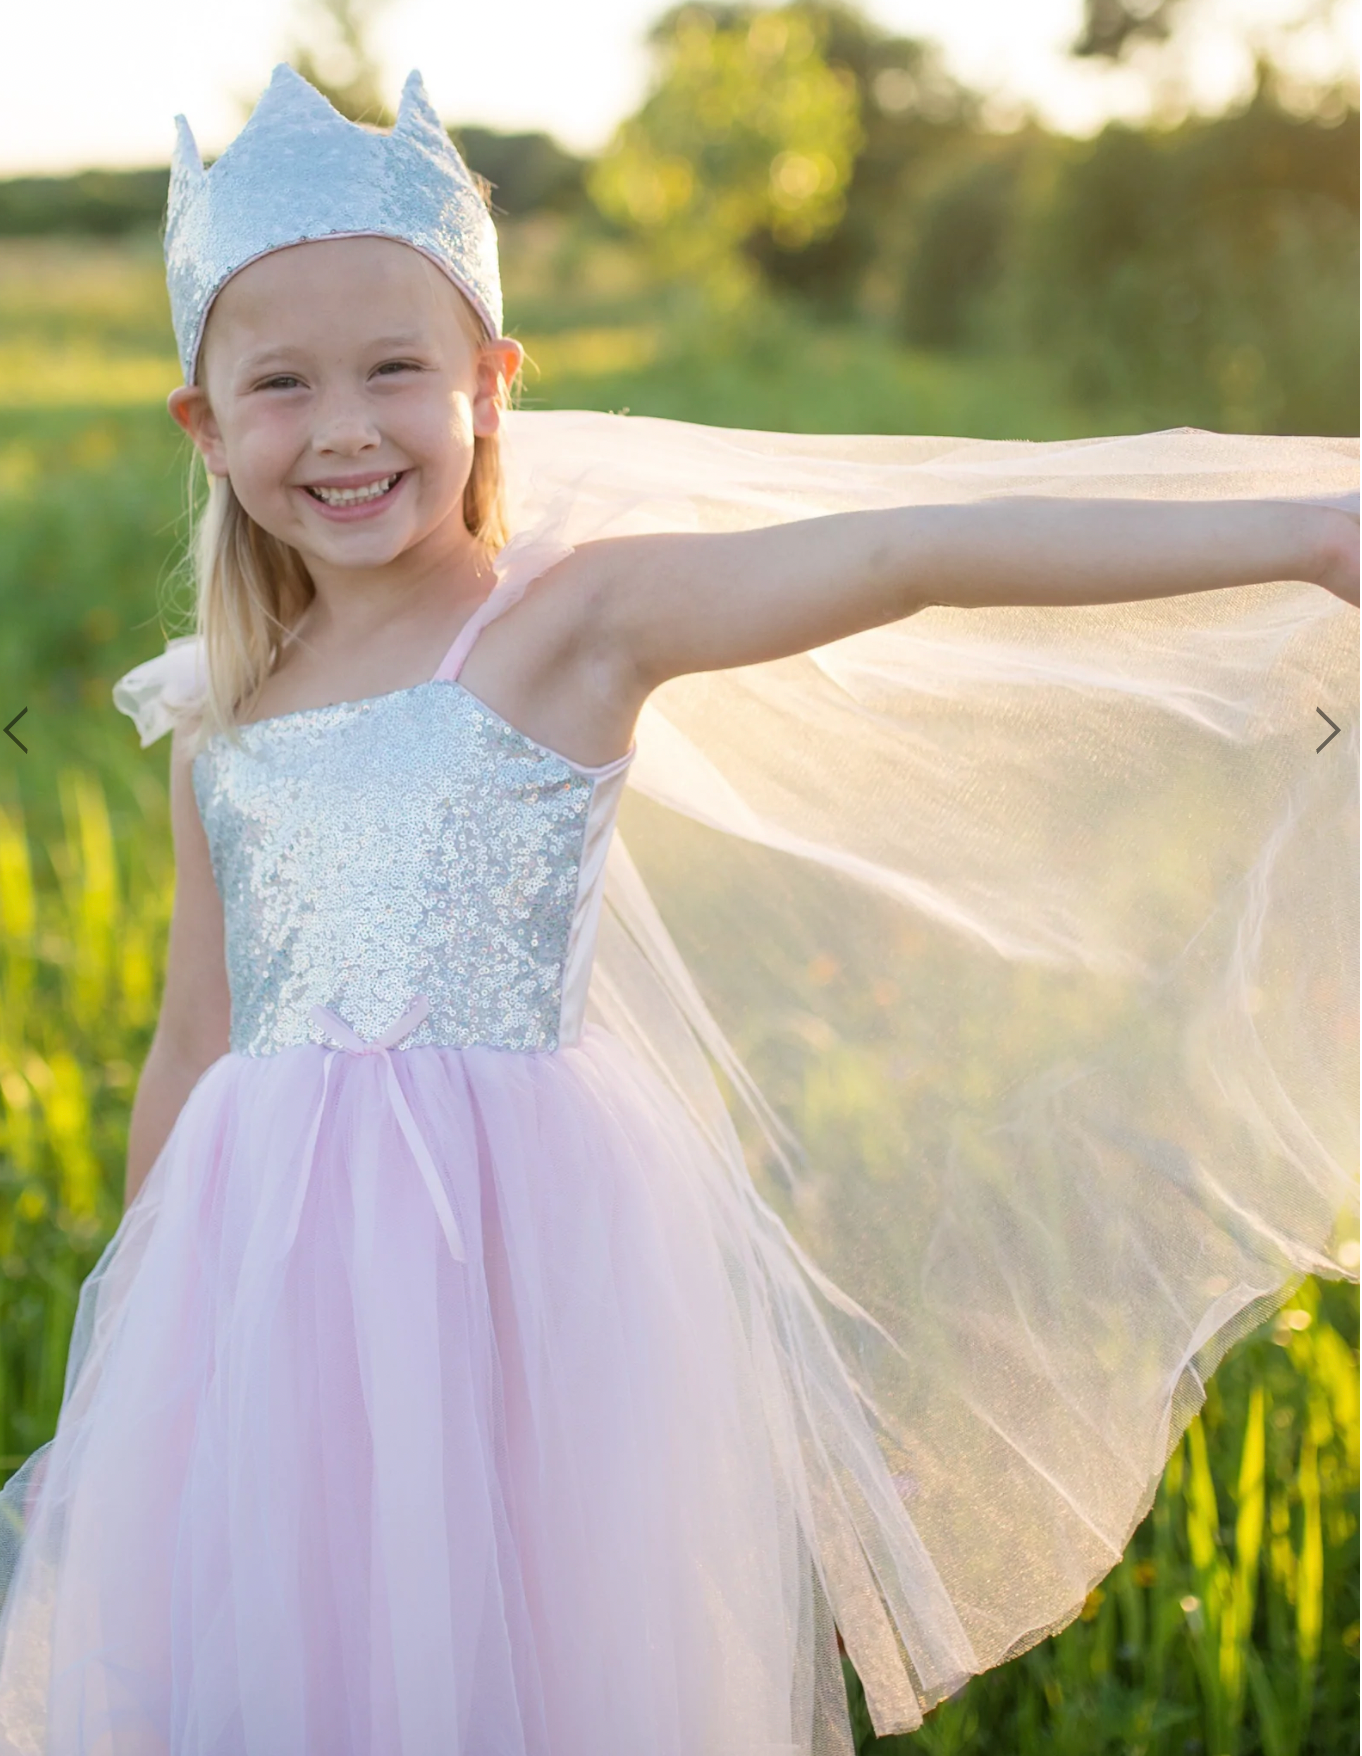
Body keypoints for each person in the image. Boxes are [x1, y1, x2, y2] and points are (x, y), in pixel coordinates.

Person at [0, 64, 1355, 1755]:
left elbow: (904, 557)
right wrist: (144, 1355)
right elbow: (195, 1037)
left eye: (395, 369)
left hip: (517, 1247)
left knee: (526, 1636)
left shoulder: (573, 626)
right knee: (301, 1648)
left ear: (491, 384)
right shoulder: (225, 712)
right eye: (281, 383)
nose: (344, 428)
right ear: (203, 425)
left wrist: (1313, 536)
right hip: (267, 1278)